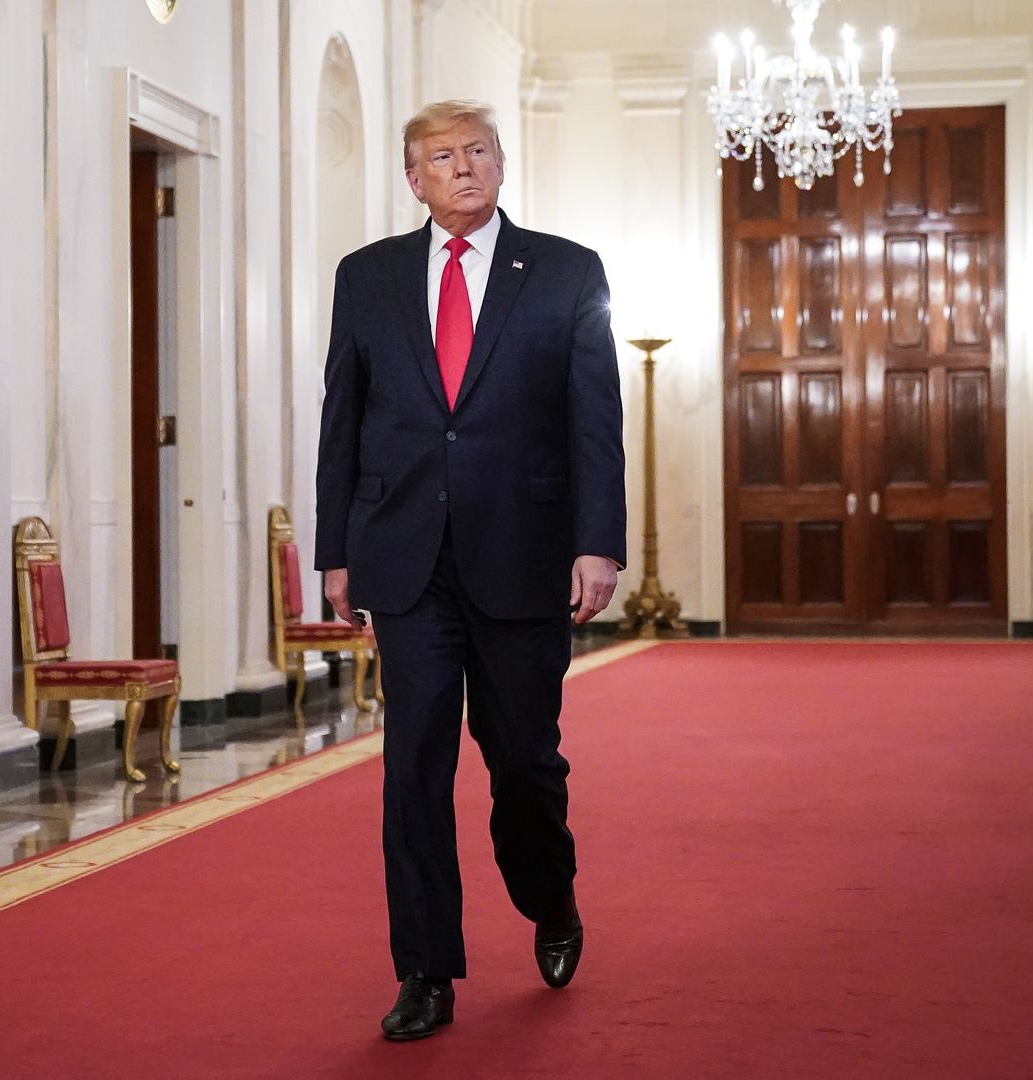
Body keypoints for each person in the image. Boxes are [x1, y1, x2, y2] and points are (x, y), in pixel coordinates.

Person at [313, 99, 626, 1041]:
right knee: (413, 766)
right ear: (414, 179)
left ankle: (551, 899)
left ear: (501, 164)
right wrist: (336, 551)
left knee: (523, 759)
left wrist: (598, 540)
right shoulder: (365, 278)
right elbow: (342, 419)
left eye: (478, 152)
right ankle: (426, 971)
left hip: (524, 556)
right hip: (405, 559)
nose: (464, 169)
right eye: (442, 158)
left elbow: (594, 421)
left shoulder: (567, 271)